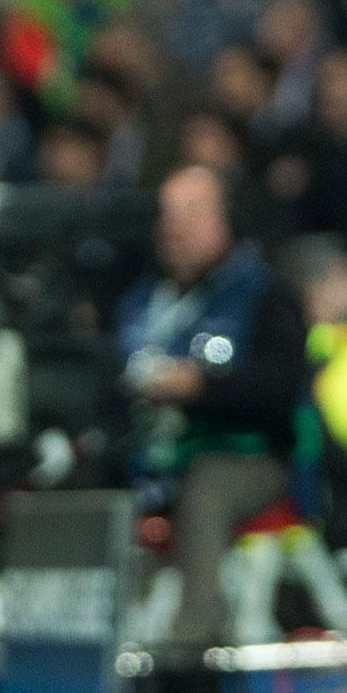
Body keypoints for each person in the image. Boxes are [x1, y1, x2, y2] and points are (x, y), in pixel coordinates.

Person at [116, 165, 307, 656]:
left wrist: (201, 386)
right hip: (149, 455)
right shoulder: (141, 301)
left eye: (193, 213)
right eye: (168, 214)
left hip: (250, 457)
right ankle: (94, 639)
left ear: (228, 220)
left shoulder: (264, 294)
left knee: (205, 490)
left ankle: (191, 643)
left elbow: (281, 389)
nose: (175, 228)